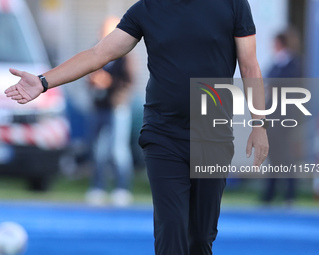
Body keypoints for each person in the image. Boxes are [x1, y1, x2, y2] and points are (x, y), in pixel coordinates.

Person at [5, 0, 268, 254]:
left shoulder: (233, 4)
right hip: (163, 135)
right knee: (171, 230)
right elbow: (99, 54)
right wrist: (42, 81)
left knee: (200, 237)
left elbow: (249, 65)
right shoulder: (148, 7)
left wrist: (258, 124)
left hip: (213, 136)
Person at [85, 17, 134, 207]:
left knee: (118, 150)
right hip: (98, 107)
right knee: (97, 149)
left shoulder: (124, 54)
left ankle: (122, 188)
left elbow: (129, 82)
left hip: (117, 108)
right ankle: (97, 187)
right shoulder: (94, 51)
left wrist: (109, 83)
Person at [261, 30, 302, 206]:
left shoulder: (293, 63)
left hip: (286, 115)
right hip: (272, 114)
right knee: (273, 155)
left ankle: (290, 194)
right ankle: (270, 194)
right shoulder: (276, 64)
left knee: (285, 155)